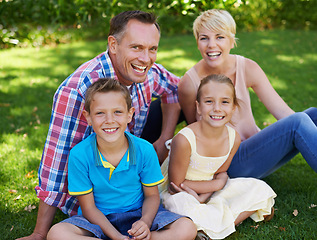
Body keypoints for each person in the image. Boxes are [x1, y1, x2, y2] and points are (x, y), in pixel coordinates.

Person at [18, 10, 181, 240]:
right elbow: (57, 158)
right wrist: (39, 233)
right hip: (97, 188)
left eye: (152, 49)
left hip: (133, 154)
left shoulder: (147, 71)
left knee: (193, 97)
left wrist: (165, 139)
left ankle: (192, 181)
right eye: (136, 47)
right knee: (59, 235)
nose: (146, 58)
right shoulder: (77, 89)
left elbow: (177, 89)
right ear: (113, 45)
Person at [46, 78, 196, 240]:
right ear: (88, 117)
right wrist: (116, 236)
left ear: (129, 114)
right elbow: (88, 208)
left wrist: (145, 222)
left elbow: (152, 196)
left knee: (186, 228)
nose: (109, 120)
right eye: (100, 113)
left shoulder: (144, 149)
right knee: (57, 234)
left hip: (139, 212)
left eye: (117, 112)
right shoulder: (79, 154)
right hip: (98, 219)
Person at [178, 9, 317, 179]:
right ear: (197, 42)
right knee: (299, 122)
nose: (211, 45)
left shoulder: (247, 68)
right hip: (229, 164)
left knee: (312, 115)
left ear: (231, 40)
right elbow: (195, 135)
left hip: (258, 152)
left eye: (220, 37)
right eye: (204, 38)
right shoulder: (189, 84)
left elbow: (283, 113)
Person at [160, 74, 276, 239]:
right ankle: (216, 222)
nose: (217, 108)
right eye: (209, 101)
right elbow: (175, 185)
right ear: (198, 107)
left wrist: (207, 193)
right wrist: (216, 185)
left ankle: (206, 227)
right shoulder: (185, 140)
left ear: (233, 107)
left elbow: (221, 172)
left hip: (208, 191)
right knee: (182, 206)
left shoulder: (233, 137)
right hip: (179, 194)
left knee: (260, 188)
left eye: (225, 102)